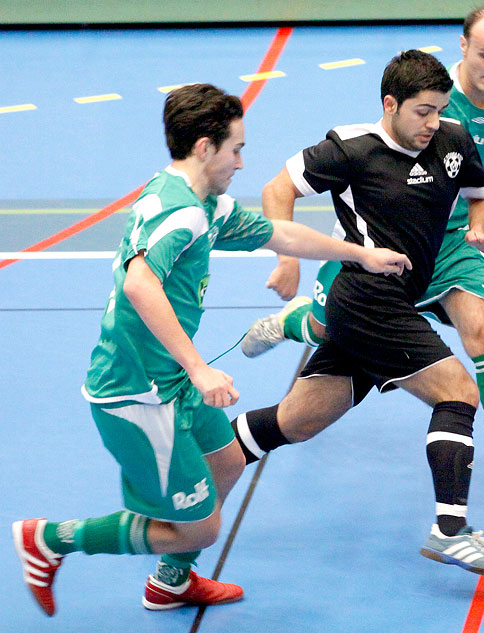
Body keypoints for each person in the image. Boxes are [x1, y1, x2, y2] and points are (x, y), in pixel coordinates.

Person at [11, 83, 410, 617]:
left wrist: (360, 255)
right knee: (198, 527)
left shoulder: (204, 203)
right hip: (137, 394)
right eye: (236, 149)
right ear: (204, 147)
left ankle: (170, 585)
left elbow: (278, 235)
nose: (243, 162)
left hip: (167, 382)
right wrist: (199, 370)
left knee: (225, 463)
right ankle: (50, 539)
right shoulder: (182, 214)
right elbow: (139, 284)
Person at [241, 2, 484, 514]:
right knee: (328, 329)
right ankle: (292, 324)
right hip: (382, 250)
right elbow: (323, 173)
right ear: (463, 46)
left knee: (482, 332)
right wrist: (288, 256)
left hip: (455, 244)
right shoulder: (423, 98)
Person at [232, 49, 484, 577]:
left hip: (393, 304)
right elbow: (277, 189)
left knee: (297, 421)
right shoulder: (351, 149)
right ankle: (450, 531)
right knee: (459, 390)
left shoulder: (452, 139)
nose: (434, 123)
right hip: (366, 299)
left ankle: (206, 457)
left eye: (439, 110)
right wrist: (286, 257)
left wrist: (480, 228)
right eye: (422, 112)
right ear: (391, 104)